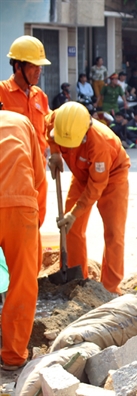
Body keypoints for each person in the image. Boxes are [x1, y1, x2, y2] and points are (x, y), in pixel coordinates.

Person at [47, 102, 131, 295]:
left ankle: (110, 287)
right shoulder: (60, 119)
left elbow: (96, 187)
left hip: (112, 177)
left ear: (84, 134)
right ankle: (76, 281)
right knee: (70, 228)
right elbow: (47, 127)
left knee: (114, 232)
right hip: (81, 173)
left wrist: (75, 212)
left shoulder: (101, 144)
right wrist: (55, 153)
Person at [0, 110, 47, 371]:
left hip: (18, 204)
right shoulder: (20, 121)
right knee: (22, 282)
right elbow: (38, 176)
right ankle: (13, 356)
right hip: (21, 207)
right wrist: (35, 222)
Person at [0, 35, 52, 162]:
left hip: (38, 171)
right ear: (18, 67)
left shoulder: (40, 96)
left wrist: (55, 153)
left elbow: (50, 125)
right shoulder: (2, 91)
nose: (39, 71)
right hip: (12, 170)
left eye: (40, 66)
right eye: (34, 66)